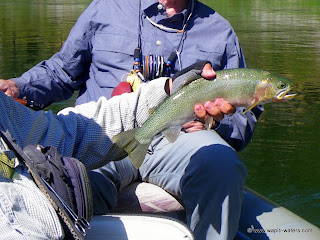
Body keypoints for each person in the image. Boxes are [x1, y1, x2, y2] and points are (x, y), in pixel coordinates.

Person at [0, 0, 264, 239]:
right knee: (63, 180)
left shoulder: (220, 30)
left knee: (222, 164)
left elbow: (245, 117)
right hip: (101, 134)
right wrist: (17, 87)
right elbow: (61, 73)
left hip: (178, 142)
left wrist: (213, 122)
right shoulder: (105, 8)